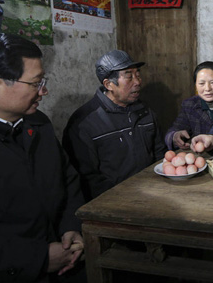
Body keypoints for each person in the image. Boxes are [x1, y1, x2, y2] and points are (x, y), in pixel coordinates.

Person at [0, 33, 84, 283]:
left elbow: (68, 179)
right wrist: (38, 258)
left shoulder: (37, 122)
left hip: (55, 280)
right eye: (37, 83)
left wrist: (72, 227)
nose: (44, 91)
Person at [62, 49, 166, 200]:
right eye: (129, 76)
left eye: (137, 74)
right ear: (109, 84)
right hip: (113, 202)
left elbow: (159, 153)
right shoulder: (84, 123)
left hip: (153, 194)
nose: (138, 82)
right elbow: (87, 178)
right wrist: (122, 197)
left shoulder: (145, 112)